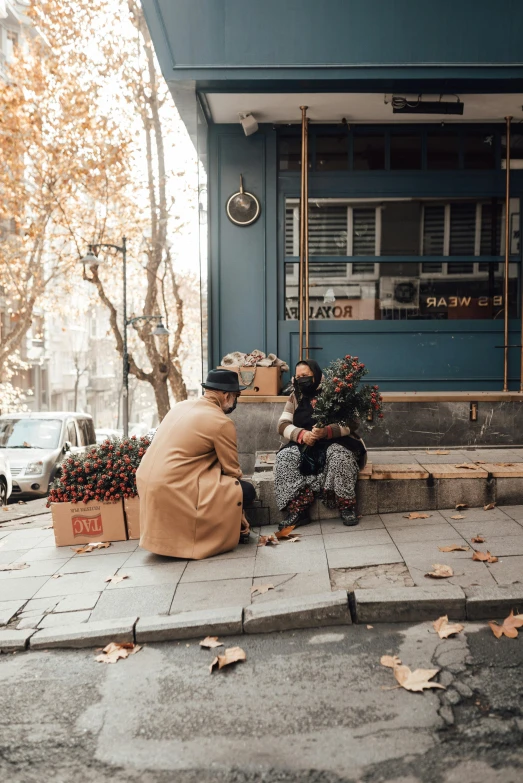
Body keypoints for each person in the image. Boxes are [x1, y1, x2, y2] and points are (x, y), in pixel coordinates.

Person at [137, 369, 255, 560]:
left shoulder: (179, 407)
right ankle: (210, 535)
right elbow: (232, 471)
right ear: (226, 395)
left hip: (148, 481)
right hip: (176, 487)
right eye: (236, 395)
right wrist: (240, 517)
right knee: (246, 490)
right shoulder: (221, 422)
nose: (236, 401)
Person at [274, 359, 366, 529]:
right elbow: (282, 425)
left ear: (315, 375)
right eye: (298, 376)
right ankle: (298, 510)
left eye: (306, 376)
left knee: (340, 456)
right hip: (306, 444)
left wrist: (327, 431)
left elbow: (352, 422)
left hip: (335, 441)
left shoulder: (334, 392)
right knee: (284, 458)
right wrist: (302, 435)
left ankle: (346, 506)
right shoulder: (295, 396)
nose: (302, 379)